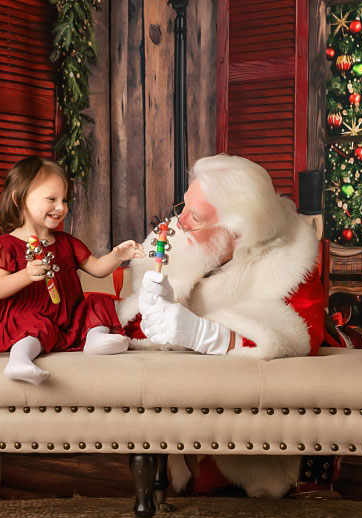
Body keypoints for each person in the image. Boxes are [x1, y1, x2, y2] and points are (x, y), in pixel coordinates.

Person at [116, 154, 327, 497]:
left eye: (195, 216)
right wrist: (155, 307)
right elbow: (135, 325)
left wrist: (205, 334)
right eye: (182, 206)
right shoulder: (174, 237)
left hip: (249, 415)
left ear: (237, 232)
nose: (178, 221)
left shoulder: (292, 258)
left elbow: (298, 337)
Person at [0, 156, 145, 385]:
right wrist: (26, 274)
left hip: (67, 323)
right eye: (51, 199)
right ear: (20, 200)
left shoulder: (65, 242)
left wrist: (117, 256)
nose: (60, 207)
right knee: (36, 325)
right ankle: (19, 360)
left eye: (64, 200)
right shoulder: (4, 245)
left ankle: (95, 339)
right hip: (26, 322)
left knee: (97, 302)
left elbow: (97, 268)